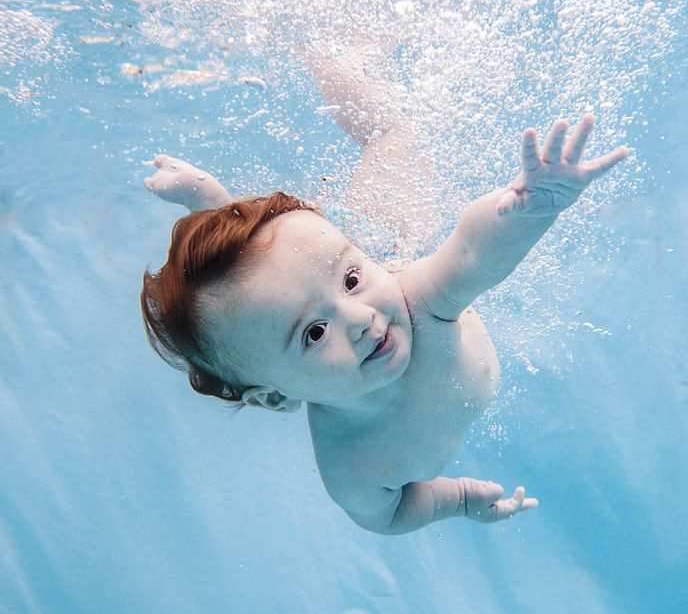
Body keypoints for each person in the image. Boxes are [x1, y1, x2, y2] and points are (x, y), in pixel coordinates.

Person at [141, 46, 629, 534]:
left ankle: (323, 49)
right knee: (267, 283)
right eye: (313, 334)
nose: (356, 319)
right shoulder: (351, 466)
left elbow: (471, 255)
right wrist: (456, 499)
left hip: (386, 235)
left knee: (393, 134)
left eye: (353, 281)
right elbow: (390, 516)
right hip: (315, 271)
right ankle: (218, 211)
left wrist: (529, 208)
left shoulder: (417, 303)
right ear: (275, 398)